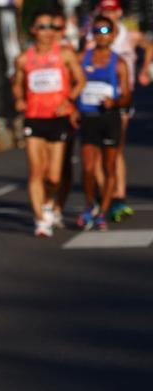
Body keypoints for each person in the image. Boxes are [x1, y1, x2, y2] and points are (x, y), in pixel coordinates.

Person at [12, 7, 85, 237]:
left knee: (54, 175)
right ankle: (41, 219)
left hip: (59, 117)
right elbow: (17, 83)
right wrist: (20, 99)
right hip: (34, 117)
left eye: (52, 27)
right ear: (34, 30)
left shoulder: (64, 53)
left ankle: (50, 201)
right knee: (36, 172)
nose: (48, 31)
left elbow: (80, 80)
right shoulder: (24, 58)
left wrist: (69, 100)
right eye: (42, 27)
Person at [89, 0, 153, 222]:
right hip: (93, 101)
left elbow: (149, 46)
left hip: (121, 99)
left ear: (119, 12)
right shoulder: (92, 36)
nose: (109, 14)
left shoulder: (129, 34)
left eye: (112, 10)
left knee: (115, 149)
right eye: (104, 10)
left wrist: (145, 70)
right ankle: (102, 197)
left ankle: (118, 197)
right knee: (95, 152)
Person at [77, 16, 131, 230]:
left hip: (110, 118)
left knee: (109, 166)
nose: (102, 35)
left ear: (114, 35)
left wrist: (115, 102)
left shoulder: (119, 63)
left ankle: (104, 210)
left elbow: (127, 96)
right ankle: (91, 205)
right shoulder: (83, 58)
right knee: (88, 168)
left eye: (106, 31)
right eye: (98, 30)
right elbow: (72, 83)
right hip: (89, 117)